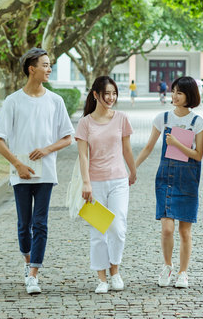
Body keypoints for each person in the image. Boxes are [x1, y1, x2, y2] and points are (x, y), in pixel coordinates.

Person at [0, 48, 74, 294]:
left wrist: (47, 149)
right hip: (21, 173)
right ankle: (27, 262)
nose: (49, 69)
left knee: (40, 223)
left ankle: (34, 274)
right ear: (31, 68)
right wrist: (17, 165)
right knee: (23, 224)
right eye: (45, 65)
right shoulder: (13, 101)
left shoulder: (55, 101)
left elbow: (68, 138)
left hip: (46, 173)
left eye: (50, 65)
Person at [135, 76, 203, 289]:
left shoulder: (198, 122)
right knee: (167, 229)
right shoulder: (163, 118)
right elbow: (148, 147)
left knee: (185, 231)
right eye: (173, 91)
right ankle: (167, 266)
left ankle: (183, 272)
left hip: (187, 179)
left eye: (180, 93)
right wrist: (131, 168)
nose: (174, 96)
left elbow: (198, 155)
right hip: (165, 177)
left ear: (189, 96)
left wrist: (176, 143)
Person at [75, 76, 137, 294]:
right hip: (95, 183)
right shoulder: (85, 123)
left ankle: (115, 271)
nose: (111, 98)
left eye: (114, 93)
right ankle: (101, 278)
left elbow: (127, 149)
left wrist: (133, 170)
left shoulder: (121, 118)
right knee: (98, 231)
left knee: (118, 228)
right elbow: (83, 156)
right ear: (95, 95)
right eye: (106, 94)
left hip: (119, 180)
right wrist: (86, 183)